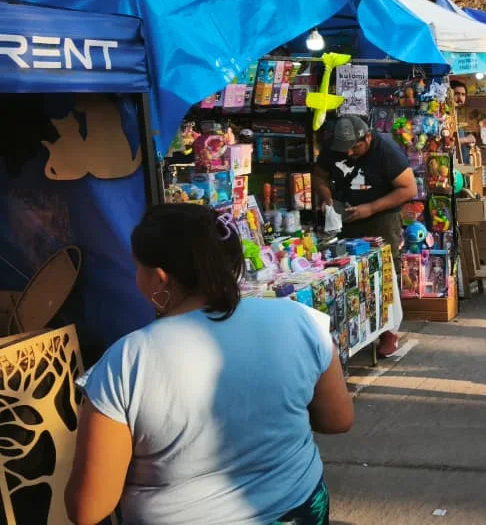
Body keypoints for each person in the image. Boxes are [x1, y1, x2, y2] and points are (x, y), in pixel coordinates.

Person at [67, 204, 354, 525]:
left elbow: (87, 508)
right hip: (300, 509)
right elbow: (338, 419)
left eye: (138, 267)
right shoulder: (301, 320)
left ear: (160, 278)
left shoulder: (127, 361)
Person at [313, 114, 414, 356]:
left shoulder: (386, 150)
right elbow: (318, 174)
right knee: (347, 271)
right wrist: (328, 199)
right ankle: (353, 329)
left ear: (367, 137)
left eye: (354, 148)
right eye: (343, 149)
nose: (348, 154)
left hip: (381, 219)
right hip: (346, 216)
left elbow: (409, 188)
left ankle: (389, 332)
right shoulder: (334, 147)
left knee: (385, 271)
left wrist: (371, 208)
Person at [452, 80, 477, 165]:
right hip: (452, 166)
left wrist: (468, 140)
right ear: (450, 94)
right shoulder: (446, 114)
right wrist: (466, 139)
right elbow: (446, 142)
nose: (460, 98)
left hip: (461, 166)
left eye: (463, 94)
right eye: (457, 94)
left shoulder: (455, 112)